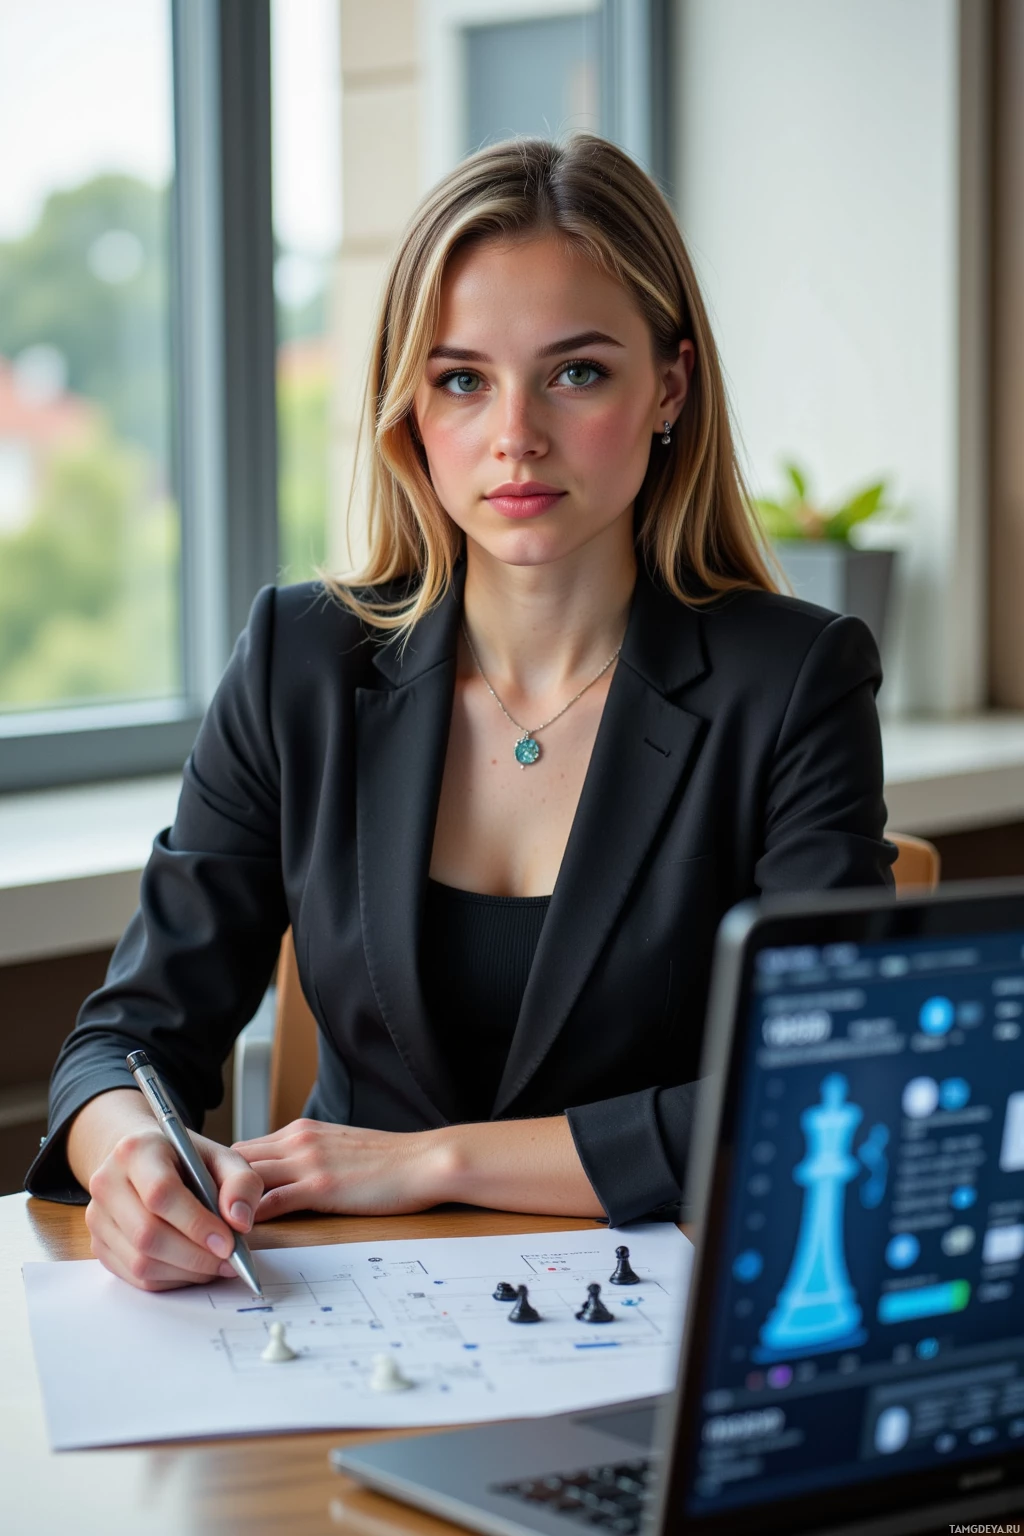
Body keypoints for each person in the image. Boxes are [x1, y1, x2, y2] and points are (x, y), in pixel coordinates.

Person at [25, 134, 896, 1292]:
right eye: (461, 378)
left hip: (652, 1333)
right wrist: (129, 1154)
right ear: (409, 406)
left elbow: (822, 1090)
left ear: (669, 385)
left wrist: (430, 1161)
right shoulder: (300, 658)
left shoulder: (794, 680)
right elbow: (126, 1038)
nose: (514, 435)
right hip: (338, 1316)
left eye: (575, 372)